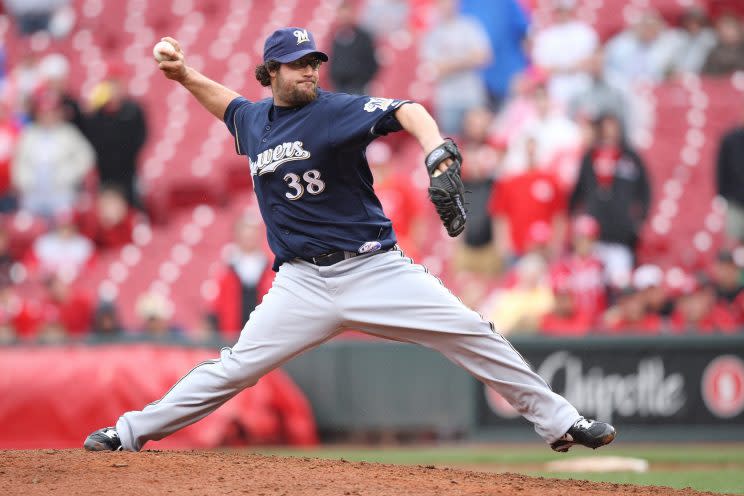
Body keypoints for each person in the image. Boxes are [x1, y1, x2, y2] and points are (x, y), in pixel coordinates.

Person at [83, 27, 614, 454]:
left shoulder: (332, 111)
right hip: (300, 284)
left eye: (314, 61)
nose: (310, 70)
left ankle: (561, 423)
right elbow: (227, 104)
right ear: (270, 74)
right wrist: (183, 74)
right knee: (234, 368)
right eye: (297, 64)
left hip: (373, 269)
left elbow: (408, 109)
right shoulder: (254, 120)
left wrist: (437, 153)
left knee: (471, 331)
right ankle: (127, 433)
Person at [83, 63, 148, 209]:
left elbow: (141, 136)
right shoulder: (97, 113)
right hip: (105, 170)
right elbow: (88, 136)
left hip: (128, 168)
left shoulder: (133, 109)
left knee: (132, 203)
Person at [328, 1, 378, 95]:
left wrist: (363, 79)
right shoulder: (335, 36)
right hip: (339, 86)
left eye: (346, 14)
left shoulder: (363, 36)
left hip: (358, 86)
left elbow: (372, 61)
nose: (344, 18)